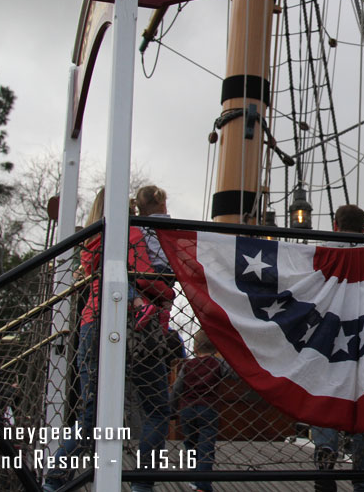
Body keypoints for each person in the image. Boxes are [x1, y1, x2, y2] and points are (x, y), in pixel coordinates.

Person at [44, 188, 175, 492]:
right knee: (155, 409)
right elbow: (141, 275)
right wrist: (165, 293)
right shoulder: (127, 231)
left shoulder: (92, 239)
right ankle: (142, 485)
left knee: (91, 414)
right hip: (137, 328)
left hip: (93, 322)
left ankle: (54, 480)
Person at [311, 205, 364, 492]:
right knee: (363, 408)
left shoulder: (319, 253)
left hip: (326, 340)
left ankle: (325, 467)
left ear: (335, 225)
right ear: (363, 229)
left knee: (326, 402)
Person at [170, 329, 235, 492]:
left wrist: (171, 409)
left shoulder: (187, 365)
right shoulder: (218, 363)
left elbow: (177, 388)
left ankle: (194, 477)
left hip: (187, 409)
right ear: (216, 348)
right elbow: (234, 374)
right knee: (206, 446)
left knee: (191, 444)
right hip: (208, 408)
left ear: (195, 347)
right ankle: (203, 484)